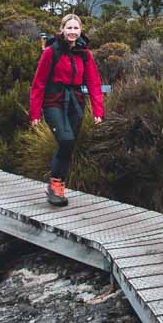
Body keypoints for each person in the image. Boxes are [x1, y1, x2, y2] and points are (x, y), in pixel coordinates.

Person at [29, 14, 104, 206]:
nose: (72, 32)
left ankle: (58, 185)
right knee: (66, 139)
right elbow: (38, 83)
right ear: (62, 30)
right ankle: (55, 184)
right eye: (68, 28)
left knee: (68, 146)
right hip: (53, 102)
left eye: (75, 28)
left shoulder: (85, 53)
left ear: (81, 30)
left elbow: (94, 83)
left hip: (75, 104)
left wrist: (98, 110)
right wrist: (35, 112)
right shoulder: (51, 52)